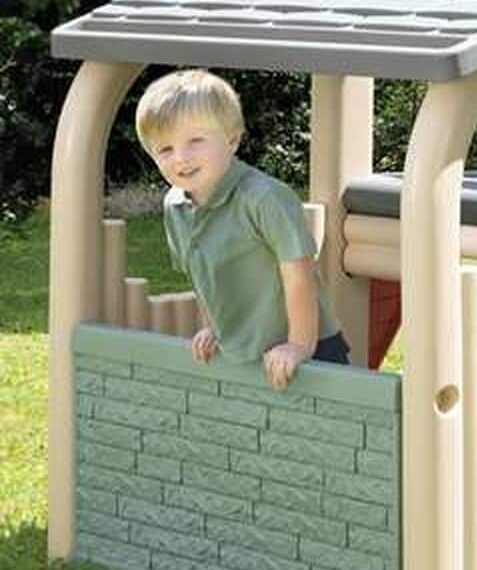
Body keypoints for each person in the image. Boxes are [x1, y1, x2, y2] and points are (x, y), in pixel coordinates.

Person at [135, 69, 350, 388]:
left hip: (310, 347)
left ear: (232, 139)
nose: (180, 158)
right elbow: (203, 277)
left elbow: (298, 276)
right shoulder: (175, 206)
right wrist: (216, 328)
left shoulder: (265, 198)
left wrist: (299, 345)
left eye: (196, 141)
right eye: (165, 149)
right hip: (246, 351)